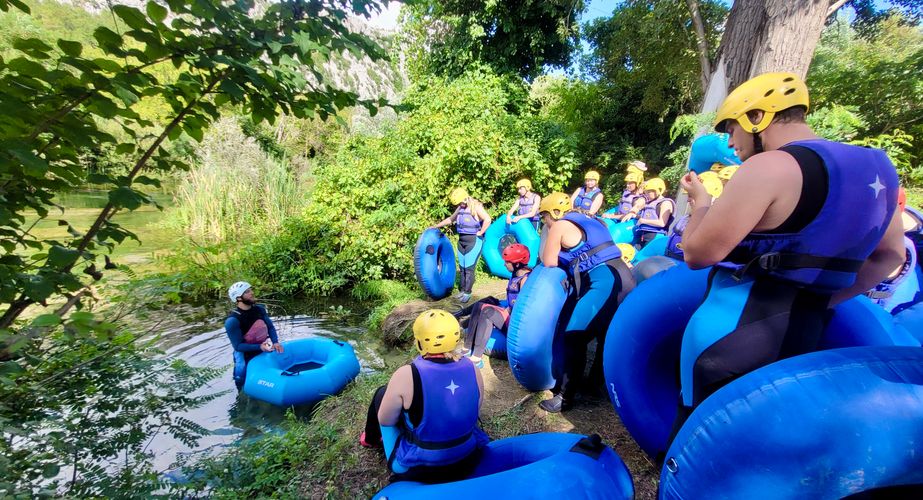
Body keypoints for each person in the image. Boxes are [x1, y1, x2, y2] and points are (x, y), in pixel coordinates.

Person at [673, 72, 904, 440]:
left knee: (694, 442)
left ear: (756, 118)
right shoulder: (881, 170)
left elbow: (697, 253)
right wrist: (822, 299)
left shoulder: (768, 167)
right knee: (761, 446)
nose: (731, 142)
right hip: (806, 330)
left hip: (730, 331)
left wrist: (701, 204)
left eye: (732, 129)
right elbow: (890, 256)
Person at [360, 310, 489, 483]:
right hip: (468, 459)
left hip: (422, 470)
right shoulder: (473, 368)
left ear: (419, 341)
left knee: (381, 394)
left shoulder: (406, 374)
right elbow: (476, 406)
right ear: (456, 338)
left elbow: (385, 420)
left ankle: (369, 439)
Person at [537, 192, 635, 412]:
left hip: (604, 281)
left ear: (552, 213)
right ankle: (594, 385)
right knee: (606, 337)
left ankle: (565, 397)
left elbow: (549, 260)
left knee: (574, 336)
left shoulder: (560, 224)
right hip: (625, 277)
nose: (545, 222)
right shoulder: (594, 220)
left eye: (544, 217)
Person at [456, 244, 533, 367]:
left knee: (487, 312)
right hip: (510, 311)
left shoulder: (526, 280)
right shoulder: (517, 272)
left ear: (517, 263)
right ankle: (466, 347)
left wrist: (506, 310)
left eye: (507, 262)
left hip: (517, 325)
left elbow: (523, 309)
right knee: (482, 304)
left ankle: (476, 358)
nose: (504, 264)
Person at [431, 188, 492, 303]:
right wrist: (436, 226)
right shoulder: (460, 208)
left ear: (465, 198)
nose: (459, 205)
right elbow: (450, 219)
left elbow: (488, 219)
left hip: (474, 241)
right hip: (462, 241)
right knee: (462, 267)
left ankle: (467, 292)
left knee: (469, 268)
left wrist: (481, 232)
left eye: (460, 202)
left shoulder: (476, 206)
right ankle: (462, 290)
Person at [225, 281, 283, 389]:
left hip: (261, 347)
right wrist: (259, 347)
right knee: (241, 376)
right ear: (238, 298)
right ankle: (240, 390)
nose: (252, 293)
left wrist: (275, 342)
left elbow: (270, 327)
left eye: (250, 290)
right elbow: (237, 346)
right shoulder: (232, 321)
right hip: (244, 355)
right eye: (247, 292)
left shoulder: (260, 309)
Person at [665, 172, 723, 261]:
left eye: (692, 196)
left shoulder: (714, 224)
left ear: (712, 198)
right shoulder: (687, 217)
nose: (688, 200)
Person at [633, 177, 675, 247]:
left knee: (645, 257)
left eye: (649, 192)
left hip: (655, 235)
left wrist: (643, 221)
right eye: (646, 192)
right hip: (643, 234)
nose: (646, 194)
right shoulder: (650, 202)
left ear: (659, 190)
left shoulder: (665, 203)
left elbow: (662, 223)